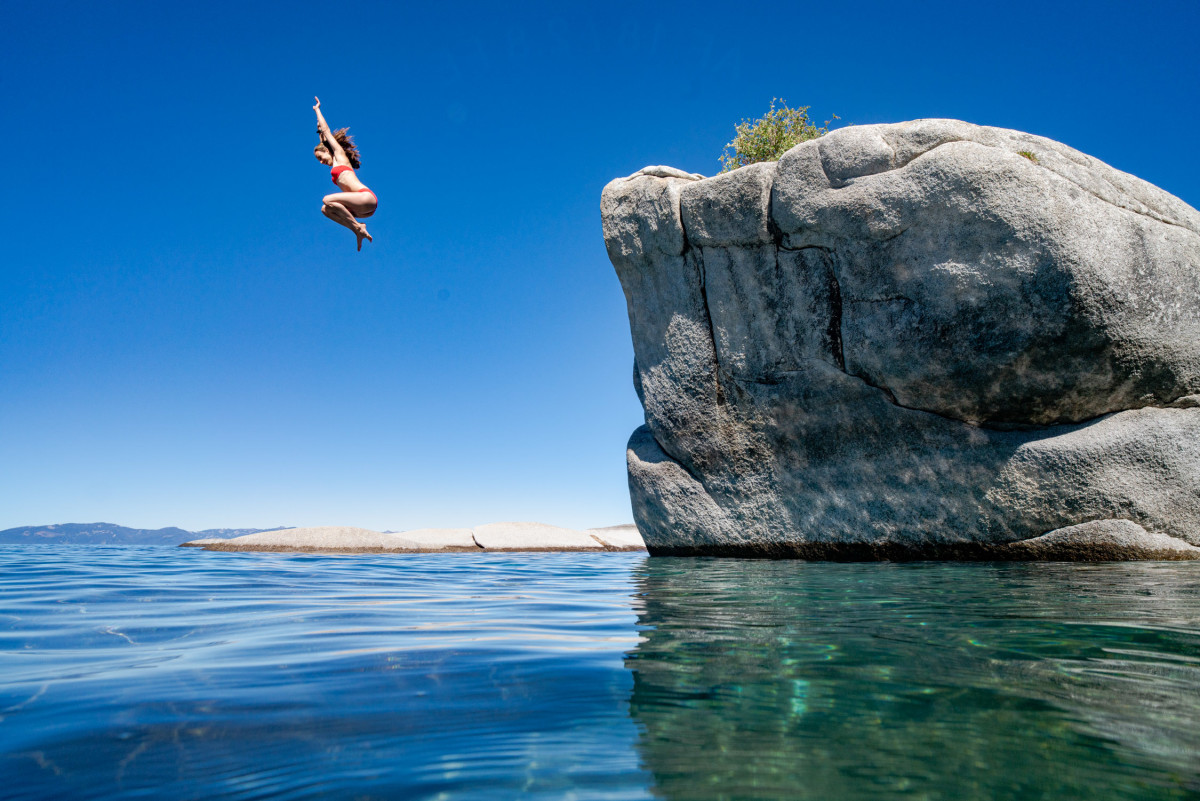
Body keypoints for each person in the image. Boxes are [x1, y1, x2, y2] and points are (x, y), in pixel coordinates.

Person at [313, 97, 376, 251]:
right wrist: (319, 130)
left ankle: (357, 227)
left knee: (326, 199)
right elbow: (322, 136)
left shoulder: (340, 156)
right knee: (325, 209)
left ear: (328, 151)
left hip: (366, 198)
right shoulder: (333, 161)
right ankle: (357, 229)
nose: (322, 162)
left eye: (321, 158)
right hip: (361, 210)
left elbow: (326, 132)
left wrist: (317, 111)